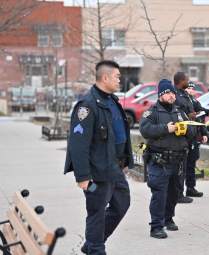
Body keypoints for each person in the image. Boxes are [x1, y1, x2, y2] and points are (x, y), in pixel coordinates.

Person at [64, 60, 133, 254]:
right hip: (96, 172)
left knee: (122, 204)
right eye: (117, 76)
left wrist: (125, 160)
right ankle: (96, 249)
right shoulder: (87, 105)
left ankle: (93, 242)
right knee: (96, 211)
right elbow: (78, 144)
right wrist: (83, 176)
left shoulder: (112, 101)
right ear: (105, 77)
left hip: (114, 168)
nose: (120, 80)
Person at [139, 79, 194, 239]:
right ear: (161, 95)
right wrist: (166, 128)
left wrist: (186, 130)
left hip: (178, 161)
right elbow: (145, 129)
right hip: (160, 161)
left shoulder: (179, 111)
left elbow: (192, 130)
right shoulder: (152, 112)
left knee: (174, 193)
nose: (172, 96)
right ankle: (156, 226)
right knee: (159, 193)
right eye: (168, 93)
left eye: (173, 93)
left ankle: (168, 219)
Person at [183, 81, 209, 197]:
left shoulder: (194, 101)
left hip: (195, 137)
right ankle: (179, 190)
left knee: (192, 162)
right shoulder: (182, 101)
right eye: (188, 88)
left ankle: (190, 188)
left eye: (192, 88)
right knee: (184, 164)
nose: (190, 90)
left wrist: (204, 133)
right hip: (186, 137)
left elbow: (200, 116)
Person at [173, 72, 195, 203]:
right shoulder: (177, 96)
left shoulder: (184, 94)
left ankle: (180, 192)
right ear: (181, 81)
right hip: (181, 138)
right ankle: (178, 194)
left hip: (188, 138)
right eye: (187, 78)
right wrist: (189, 116)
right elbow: (179, 115)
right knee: (180, 168)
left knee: (185, 166)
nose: (188, 80)